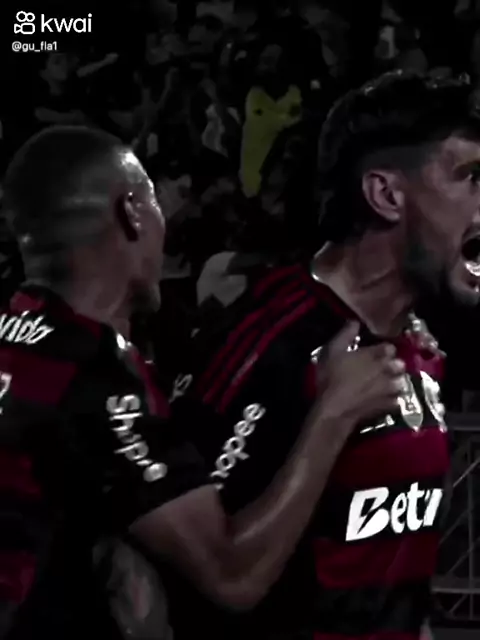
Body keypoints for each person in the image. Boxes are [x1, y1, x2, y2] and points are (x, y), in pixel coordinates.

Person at [0, 125, 408, 640]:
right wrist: (335, 412)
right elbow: (231, 577)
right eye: (156, 202)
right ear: (132, 212)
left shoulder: (17, 337)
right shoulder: (97, 372)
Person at [169, 71, 480, 640]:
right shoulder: (269, 339)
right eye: (471, 178)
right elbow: (191, 574)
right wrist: (330, 418)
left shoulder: (422, 343)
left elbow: (396, 576)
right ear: (386, 195)